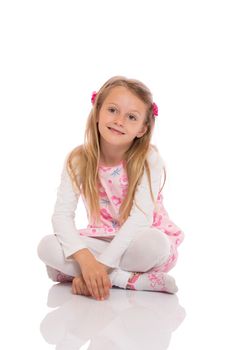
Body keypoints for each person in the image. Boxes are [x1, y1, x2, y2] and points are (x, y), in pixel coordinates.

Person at [37, 75, 184, 301]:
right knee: (47, 247)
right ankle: (128, 280)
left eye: (131, 117)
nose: (119, 121)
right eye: (112, 110)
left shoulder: (148, 158)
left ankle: (91, 277)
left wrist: (101, 264)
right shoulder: (78, 159)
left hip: (139, 239)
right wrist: (86, 259)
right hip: (101, 239)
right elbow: (61, 216)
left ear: (142, 129)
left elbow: (141, 219)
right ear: (97, 112)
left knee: (155, 244)